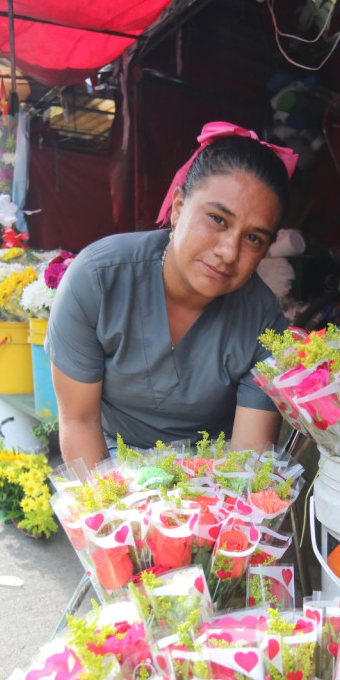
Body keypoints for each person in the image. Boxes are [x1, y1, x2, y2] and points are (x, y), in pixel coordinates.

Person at [46, 121, 298, 469]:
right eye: (217, 219)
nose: (229, 251)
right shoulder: (96, 281)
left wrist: (208, 514)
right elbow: (78, 421)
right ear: (178, 207)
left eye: (253, 238)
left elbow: (247, 463)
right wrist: (111, 518)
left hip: (215, 479)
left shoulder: (264, 322)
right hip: (111, 466)